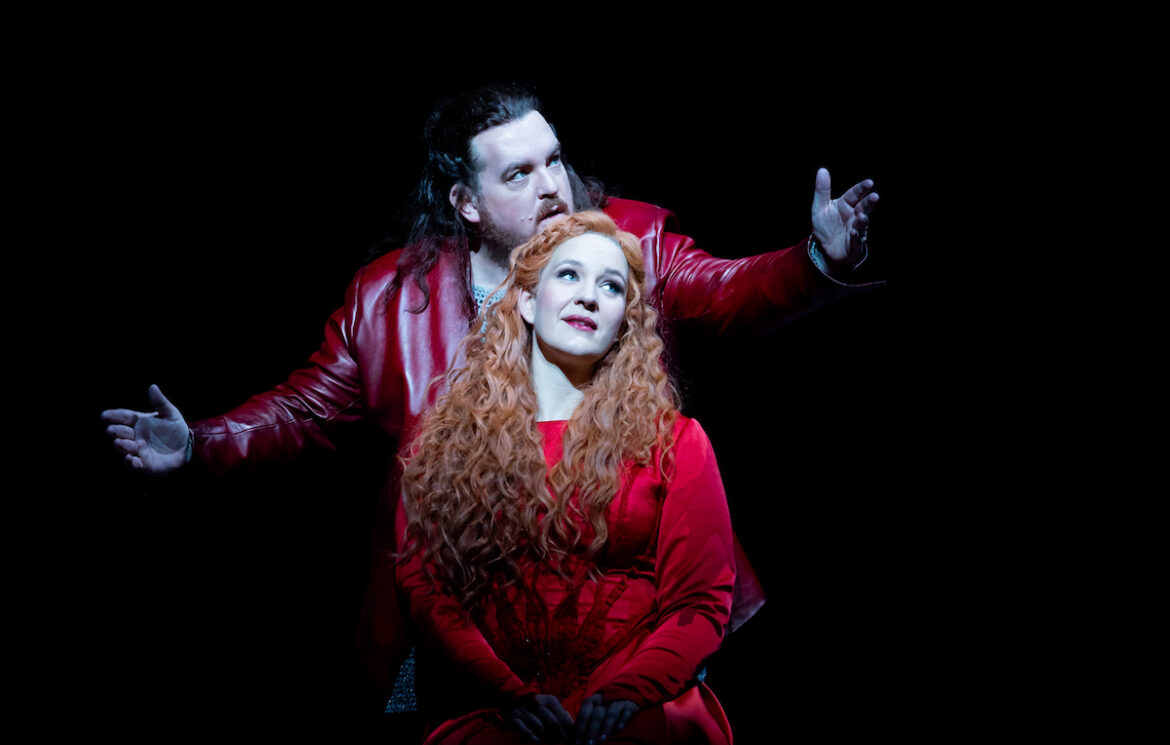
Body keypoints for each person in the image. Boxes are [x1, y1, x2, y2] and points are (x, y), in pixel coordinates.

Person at [101, 83, 880, 702]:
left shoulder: (629, 242)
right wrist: (200, 444)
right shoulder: (388, 300)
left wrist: (817, 259)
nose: (552, 187)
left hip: (615, 591)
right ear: (465, 203)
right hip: (464, 604)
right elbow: (306, 409)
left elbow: (731, 288)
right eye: (519, 174)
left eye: (554, 160)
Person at [361, 210, 741, 745]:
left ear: (624, 321)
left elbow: (700, 602)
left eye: (611, 286)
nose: (589, 295)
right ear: (527, 301)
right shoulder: (446, 446)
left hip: (639, 708)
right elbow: (429, 591)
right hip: (497, 708)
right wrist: (507, 695)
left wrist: (628, 693)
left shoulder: (674, 443)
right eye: (569, 276)